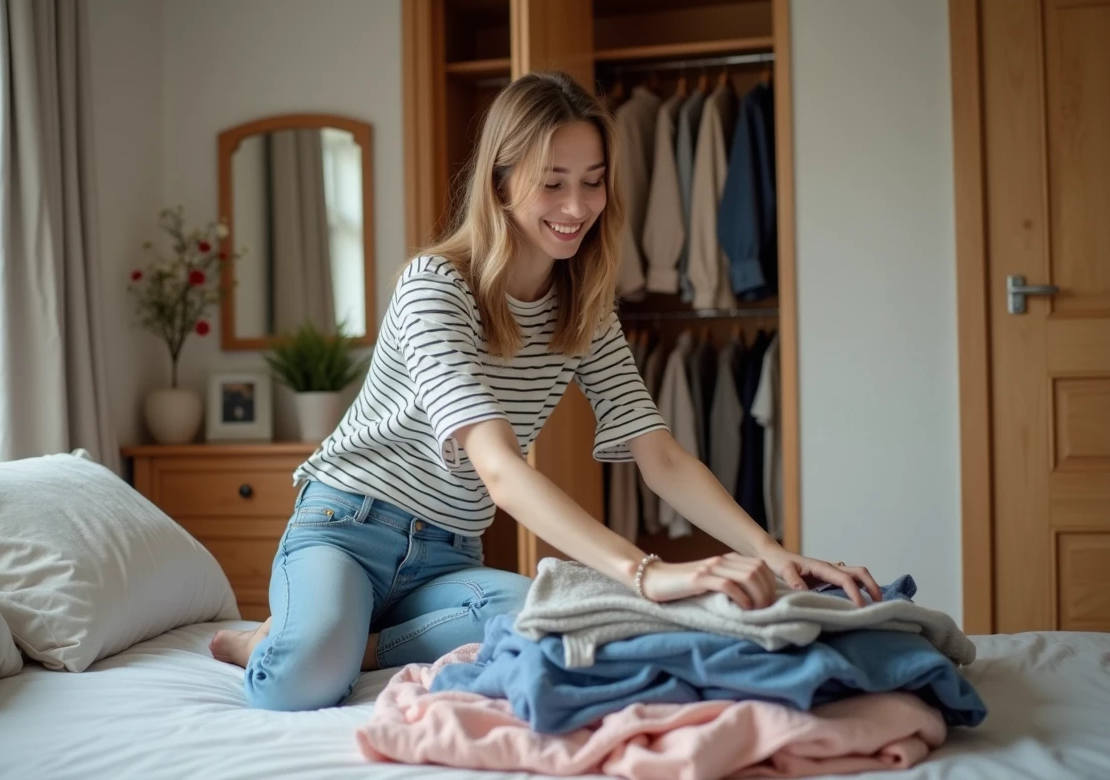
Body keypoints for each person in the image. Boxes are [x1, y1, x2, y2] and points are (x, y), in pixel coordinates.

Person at [210, 71, 881, 711]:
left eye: (593, 183)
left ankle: (358, 642)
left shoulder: (584, 309)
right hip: (348, 526)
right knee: (300, 681)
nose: (578, 207)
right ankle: (266, 642)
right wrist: (645, 573)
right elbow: (499, 471)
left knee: (564, 619)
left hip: (449, 555)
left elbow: (662, 456)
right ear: (500, 183)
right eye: (552, 183)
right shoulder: (434, 286)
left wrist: (771, 551)